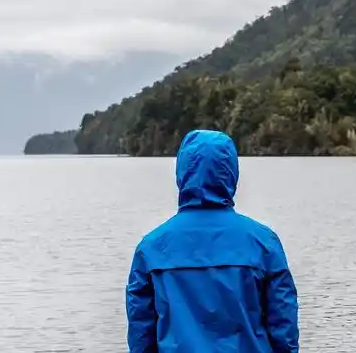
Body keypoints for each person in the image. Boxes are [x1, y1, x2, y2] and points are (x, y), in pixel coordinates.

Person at [126, 129, 299, 352]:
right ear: (231, 172)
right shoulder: (264, 243)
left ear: (181, 172)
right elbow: (284, 328)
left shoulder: (151, 249)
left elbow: (140, 335)